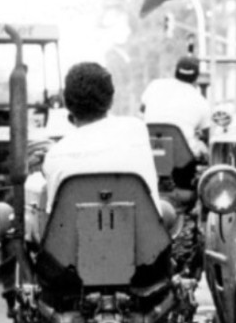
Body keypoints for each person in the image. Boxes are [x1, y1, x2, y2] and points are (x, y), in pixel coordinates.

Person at [43, 62, 160, 214]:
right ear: (111, 99)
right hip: (142, 235)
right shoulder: (137, 128)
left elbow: (54, 219)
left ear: (67, 102)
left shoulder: (54, 155)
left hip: (79, 237)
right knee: (167, 210)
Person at [141, 56, 210, 159]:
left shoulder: (154, 85)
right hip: (181, 162)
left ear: (175, 71)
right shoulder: (201, 101)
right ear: (196, 77)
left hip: (150, 153)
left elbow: (142, 112)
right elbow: (208, 134)